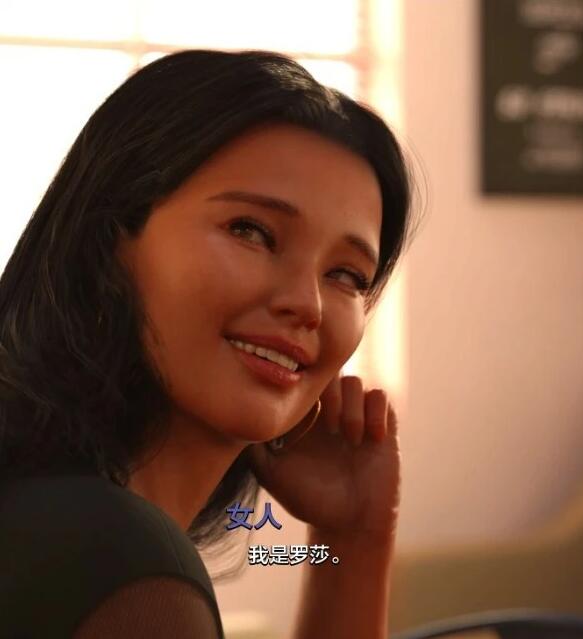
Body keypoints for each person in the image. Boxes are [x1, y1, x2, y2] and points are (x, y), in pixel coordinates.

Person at [0, 50, 412, 638]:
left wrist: (353, 539)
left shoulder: (61, 513)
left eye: (346, 274)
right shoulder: (126, 566)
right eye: (251, 231)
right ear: (110, 236)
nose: (309, 305)